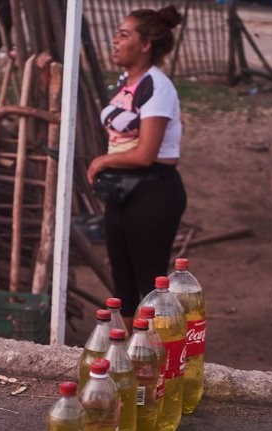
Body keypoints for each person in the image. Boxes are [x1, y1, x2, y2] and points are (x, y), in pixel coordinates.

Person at [86, 6, 186, 329]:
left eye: (124, 35)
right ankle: (126, 360)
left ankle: (156, 363)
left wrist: (103, 160)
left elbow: (145, 153)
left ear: (145, 45)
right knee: (123, 287)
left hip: (152, 192)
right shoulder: (125, 82)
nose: (115, 41)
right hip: (122, 191)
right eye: (116, 34)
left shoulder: (158, 86)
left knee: (149, 288)